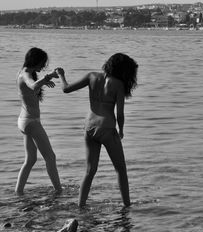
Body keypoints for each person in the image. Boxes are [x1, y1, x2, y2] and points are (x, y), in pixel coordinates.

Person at [57, 53, 138, 207]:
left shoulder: (91, 76)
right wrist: (120, 130)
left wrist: (61, 75)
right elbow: (119, 114)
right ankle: (127, 207)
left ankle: (81, 206)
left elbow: (66, 89)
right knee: (120, 169)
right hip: (107, 128)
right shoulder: (118, 84)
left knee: (89, 171)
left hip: (89, 127)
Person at [16, 47, 62, 195]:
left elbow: (34, 87)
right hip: (31, 122)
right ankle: (58, 191)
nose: (43, 66)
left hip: (25, 121)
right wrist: (48, 76)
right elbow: (33, 85)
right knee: (50, 157)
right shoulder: (25, 74)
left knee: (30, 160)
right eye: (42, 63)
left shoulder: (25, 72)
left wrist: (43, 81)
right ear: (35, 61)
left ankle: (18, 192)